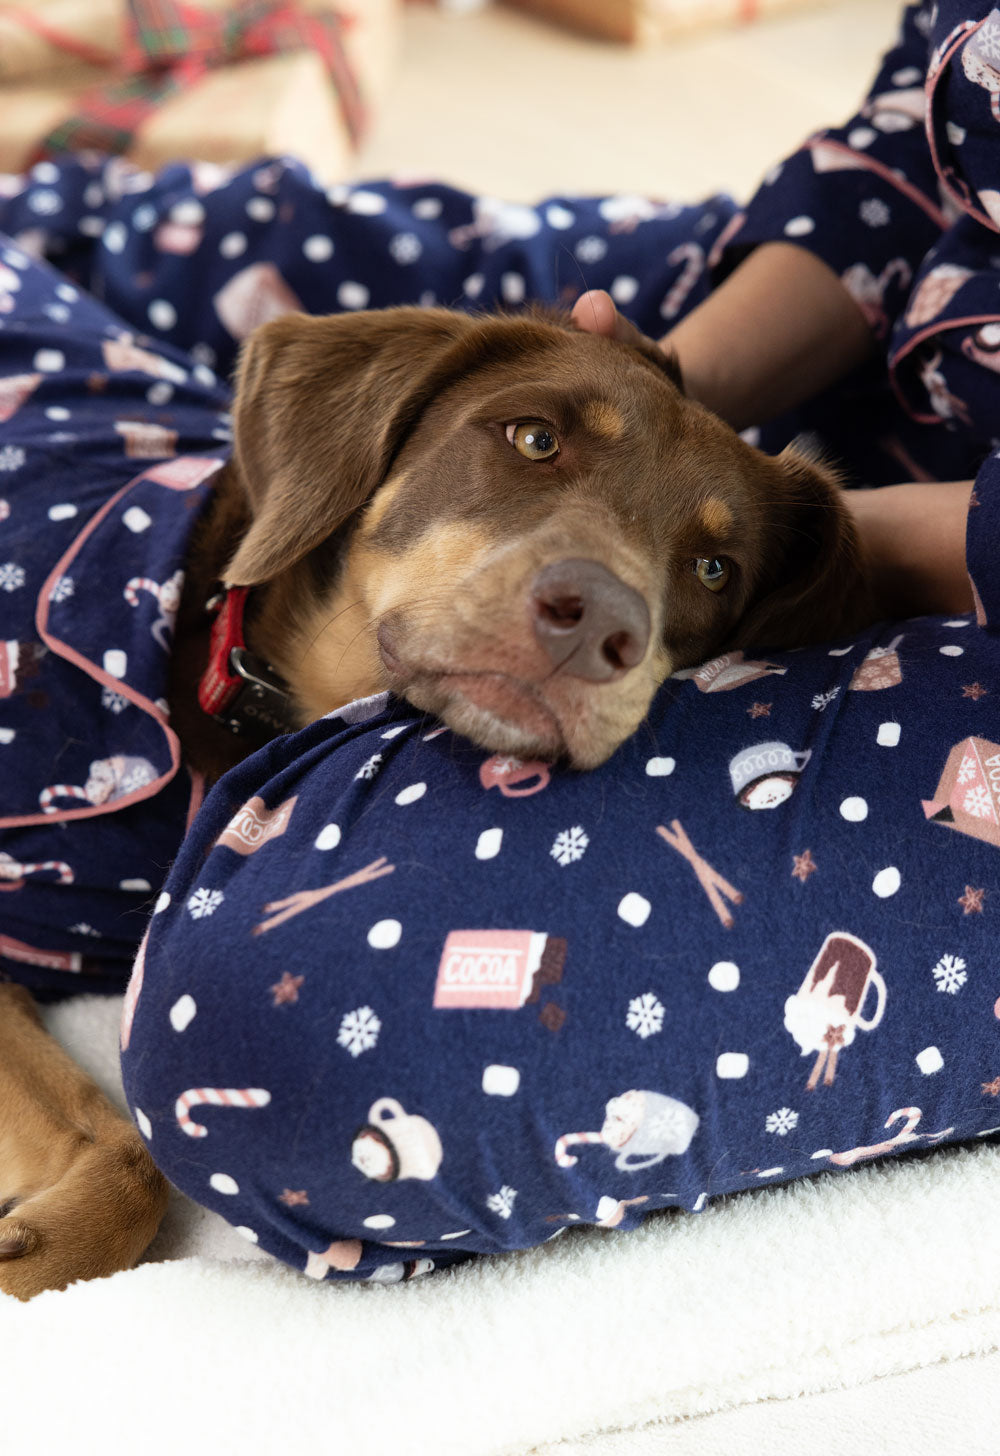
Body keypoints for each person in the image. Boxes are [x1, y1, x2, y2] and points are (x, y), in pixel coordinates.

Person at [3, 1, 999, 1283]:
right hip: (924, 308)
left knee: (293, 1032)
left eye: (702, 574)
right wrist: (661, 394)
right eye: (532, 445)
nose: (595, 598)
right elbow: (908, 147)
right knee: (185, 233)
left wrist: (884, 540)